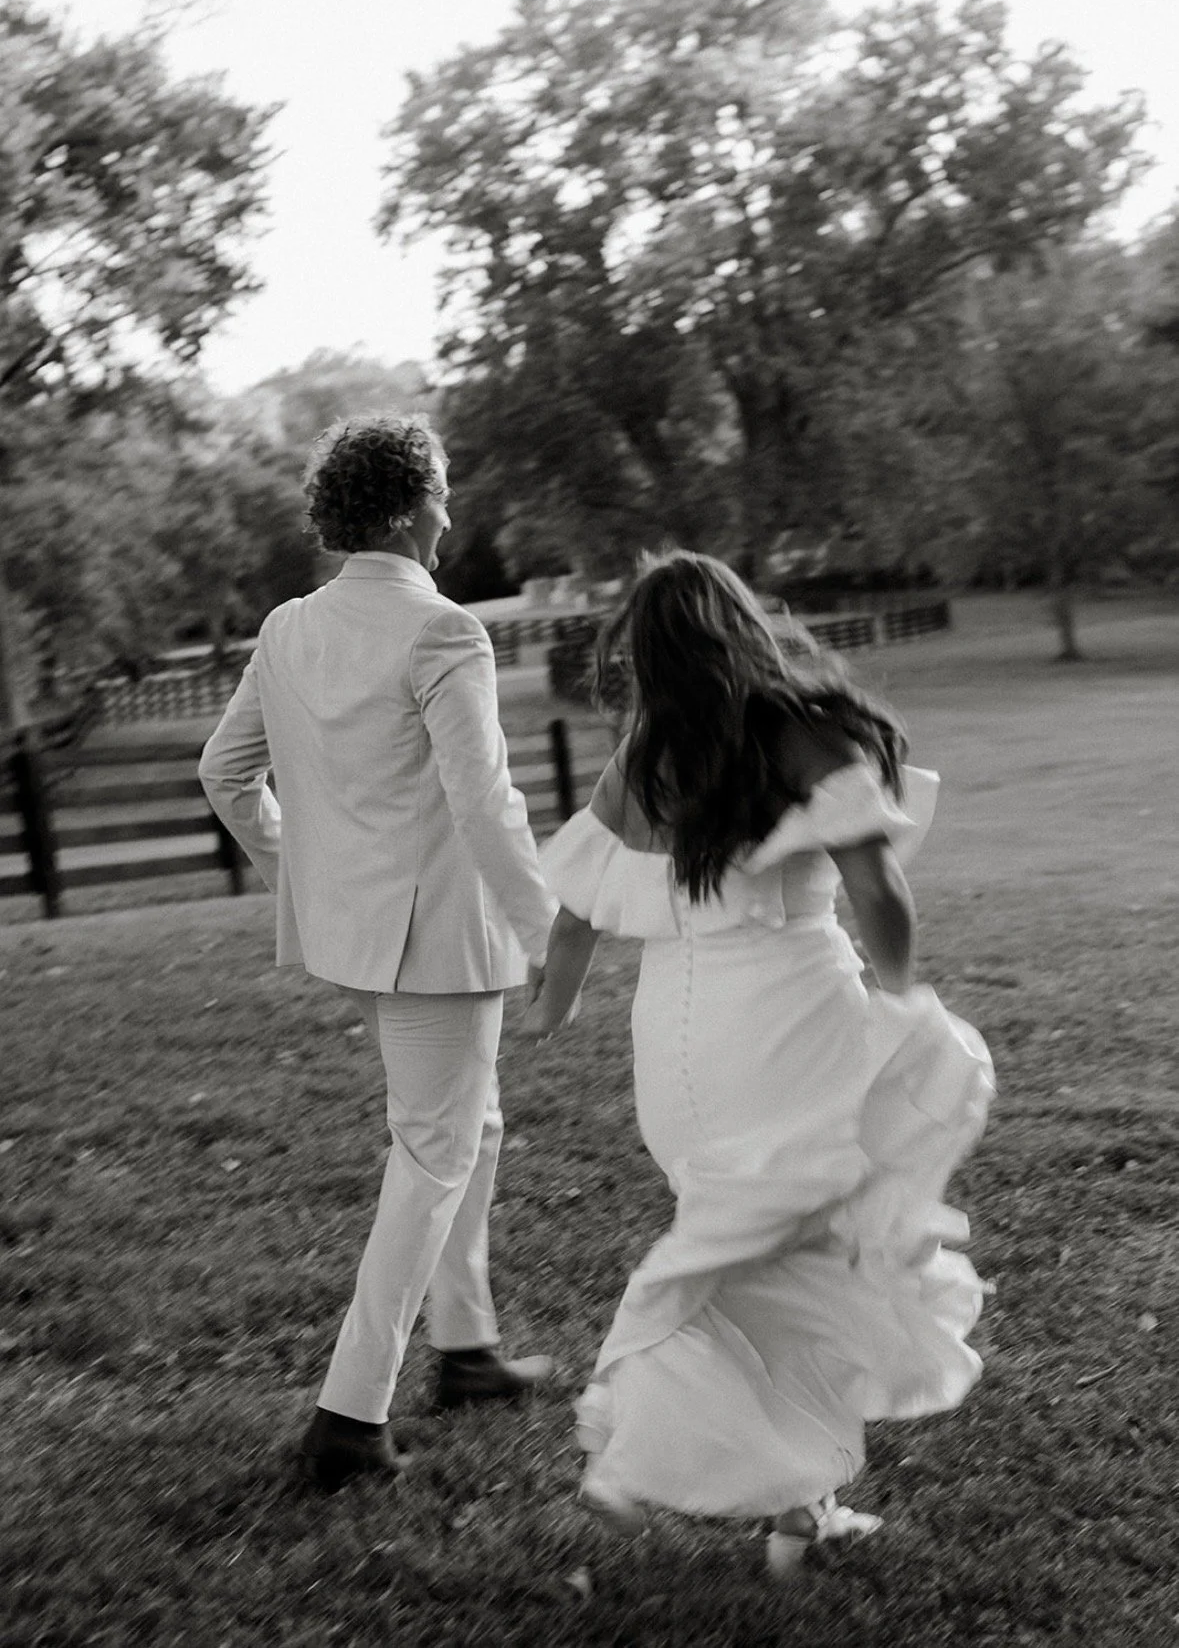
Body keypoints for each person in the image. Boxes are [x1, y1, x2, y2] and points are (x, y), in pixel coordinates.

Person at [522, 551, 994, 1576]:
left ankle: (797, 1508)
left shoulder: (641, 762)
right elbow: (876, 885)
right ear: (744, 626)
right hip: (786, 1023)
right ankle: (641, 1439)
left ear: (644, 655)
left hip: (677, 1051)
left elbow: (571, 922)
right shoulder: (797, 732)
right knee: (809, 1248)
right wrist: (905, 1000)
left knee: (760, 1258)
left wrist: (546, 1014)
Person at [199, 414, 558, 1491]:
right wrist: (553, 923)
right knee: (437, 1152)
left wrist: (307, 876)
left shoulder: (288, 627)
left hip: (359, 939)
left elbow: (225, 774)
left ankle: (469, 1350)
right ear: (409, 507)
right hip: (440, 945)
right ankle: (348, 1419)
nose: (453, 514)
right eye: (443, 494)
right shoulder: (444, 629)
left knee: (468, 1129)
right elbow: (482, 796)